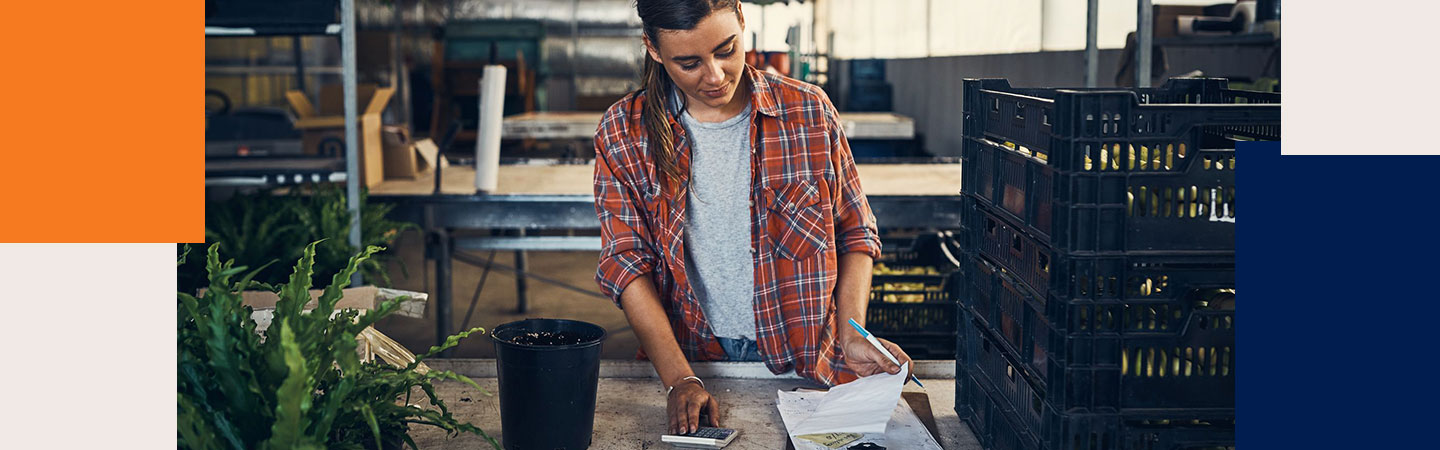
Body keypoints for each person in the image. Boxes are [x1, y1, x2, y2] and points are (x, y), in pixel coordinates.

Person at [591, 0, 912, 436]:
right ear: (653, 47)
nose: (716, 75)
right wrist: (680, 379)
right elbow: (626, 264)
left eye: (727, 50)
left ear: (742, 20)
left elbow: (854, 231)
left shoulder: (808, 113)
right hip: (691, 364)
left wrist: (853, 332)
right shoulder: (623, 131)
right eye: (689, 63)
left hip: (807, 367)